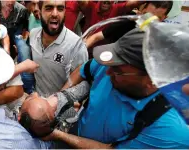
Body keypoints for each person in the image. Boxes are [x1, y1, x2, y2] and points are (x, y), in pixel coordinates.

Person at [48, 28, 189, 149]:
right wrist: (60, 98)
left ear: (152, 80)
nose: (107, 72)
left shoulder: (169, 128)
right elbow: (83, 70)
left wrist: (58, 135)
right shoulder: (112, 63)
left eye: (118, 71)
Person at [30, 0, 88, 97]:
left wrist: (60, 100)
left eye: (60, 9)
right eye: (49, 8)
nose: (55, 14)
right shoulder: (33, 35)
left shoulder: (76, 46)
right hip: (36, 101)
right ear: (39, 12)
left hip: (62, 108)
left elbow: (84, 85)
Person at [85, 1, 173, 48]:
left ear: (163, 18)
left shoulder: (163, 37)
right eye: (145, 14)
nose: (147, 21)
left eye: (153, 18)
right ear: (141, 10)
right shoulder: (127, 21)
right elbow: (95, 37)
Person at [78, 0, 145, 33]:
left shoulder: (116, 8)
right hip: (86, 47)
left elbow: (133, 3)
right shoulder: (91, 7)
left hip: (103, 50)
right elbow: (82, 2)